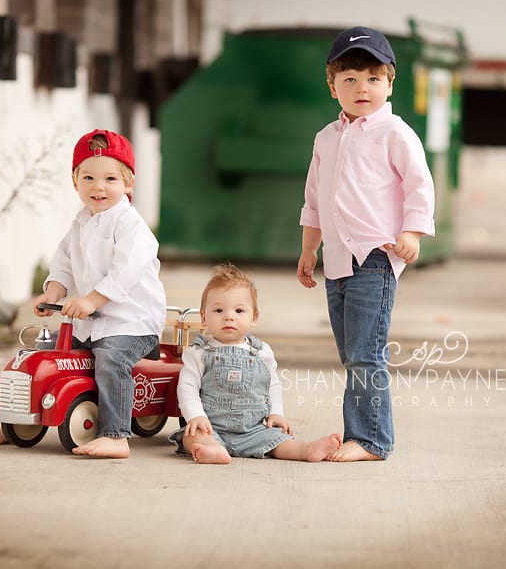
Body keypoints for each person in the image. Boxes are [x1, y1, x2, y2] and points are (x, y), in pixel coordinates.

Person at [0, 129, 167, 458]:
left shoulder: (130, 226)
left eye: (110, 178)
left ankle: (116, 435)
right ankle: (19, 419)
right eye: (89, 177)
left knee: (110, 360)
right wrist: (52, 291)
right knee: (44, 354)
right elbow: (63, 263)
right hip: (90, 322)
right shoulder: (80, 224)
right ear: (75, 181)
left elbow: (125, 273)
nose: (99, 186)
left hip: (131, 324)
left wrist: (91, 299)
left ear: (128, 184)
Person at [296, 26, 436, 462]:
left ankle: (371, 440)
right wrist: (308, 248)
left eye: (373, 78)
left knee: (364, 353)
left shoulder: (395, 134)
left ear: (390, 83)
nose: (362, 88)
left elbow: (419, 187)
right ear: (332, 84)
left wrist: (411, 232)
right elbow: (315, 198)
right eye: (350, 78)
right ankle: (364, 431)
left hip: (376, 256)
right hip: (336, 259)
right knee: (350, 352)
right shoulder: (327, 138)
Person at [169, 263, 342, 464]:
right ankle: (213, 450)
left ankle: (306, 449)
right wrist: (196, 417)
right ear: (203, 317)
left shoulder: (261, 351)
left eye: (239, 310)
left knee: (277, 439)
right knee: (192, 436)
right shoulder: (198, 352)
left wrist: (277, 412)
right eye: (218, 310)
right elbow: (187, 387)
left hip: (255, 430)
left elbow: (273, 385)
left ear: (254, 317)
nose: (229, 316)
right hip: (211, 428)